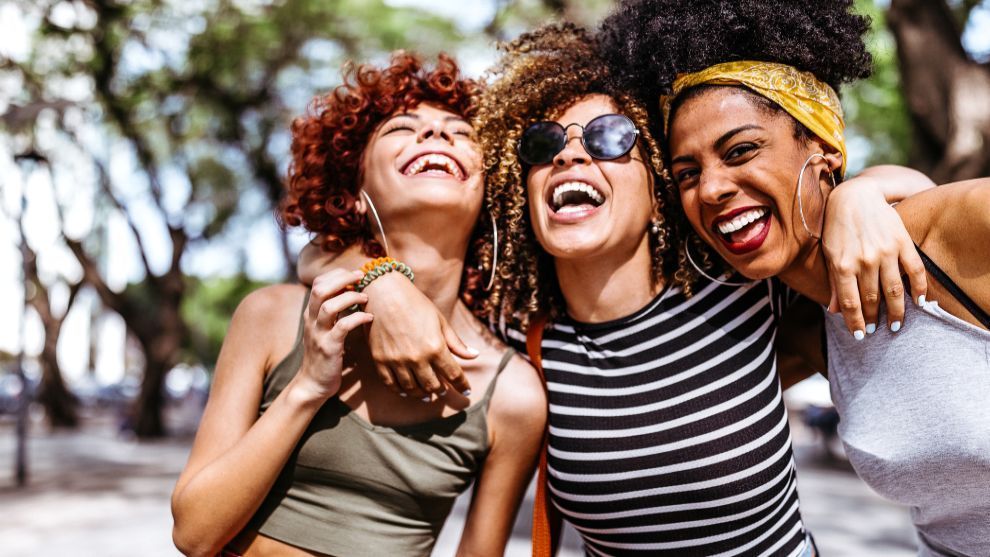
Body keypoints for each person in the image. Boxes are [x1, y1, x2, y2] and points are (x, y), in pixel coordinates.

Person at [299, 24, 933, 556]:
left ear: (658, 190)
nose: (572, 158)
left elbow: (919, 196)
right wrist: (385, 285)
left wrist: (858, 193)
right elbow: (319, 253)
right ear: (521, 193)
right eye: (544, 144)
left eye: (608, 139)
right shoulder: (515, 334)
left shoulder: (741, 286)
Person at [612, 1, 990, 554]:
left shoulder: (957, 230)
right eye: (687, 173)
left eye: (741, 150)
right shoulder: (802, 331)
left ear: (823, 149)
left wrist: (866, 187)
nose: (711, 188)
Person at [170, 52, 546, 557]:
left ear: (492, 189)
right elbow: (193, 534)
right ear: (355, 182)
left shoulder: (514, 395)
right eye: (403, 128)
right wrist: (307, 387)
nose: (436, 135)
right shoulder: (273, 316)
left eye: (459, 132)